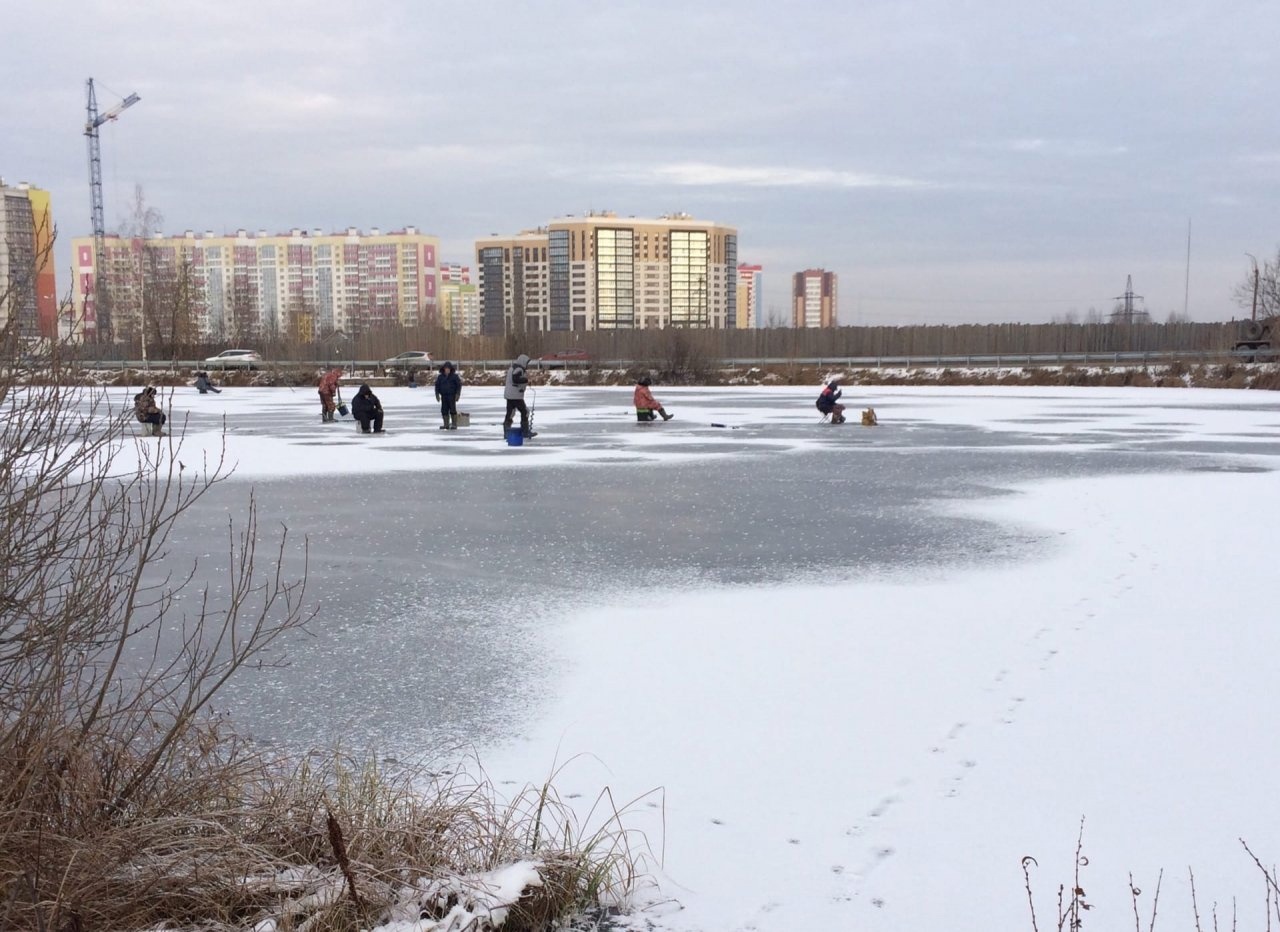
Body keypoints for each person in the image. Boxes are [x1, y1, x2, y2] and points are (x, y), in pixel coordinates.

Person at [502, 353, 536, 438]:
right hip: (515, 396)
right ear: (523, 362)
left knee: (510, 413)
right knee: (525, 412)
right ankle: (525, 432)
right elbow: (515, 379)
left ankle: (507, 432)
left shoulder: (513, 367)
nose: (527, 365)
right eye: (527, 363)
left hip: (510, 395)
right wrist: (526, 380)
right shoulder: (519, 369)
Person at [434, 361, 462, 430]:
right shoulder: (440, 377)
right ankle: (446, 424)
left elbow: (459, 385)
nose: (447, 370)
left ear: (450, 369)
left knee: (452, 409)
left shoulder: (454, 376)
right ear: (444, 369)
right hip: (444, 396)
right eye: (446, 369)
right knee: (444, 410)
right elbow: (437, 386)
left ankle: (454, 424)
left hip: (452, 396)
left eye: (448, 369)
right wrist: (437, 394)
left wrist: (458, 394)